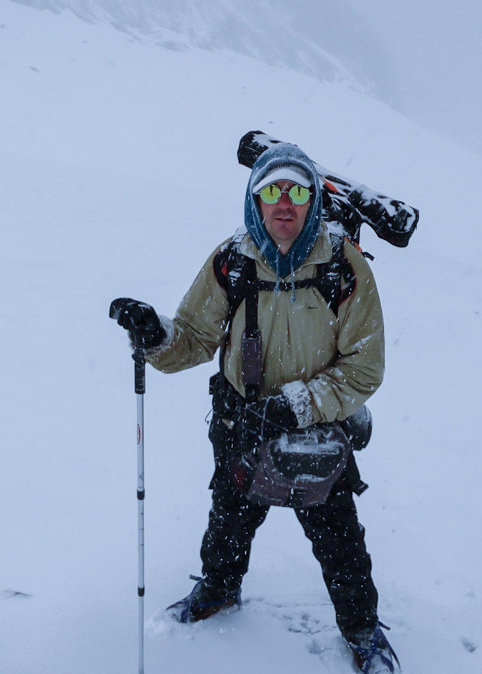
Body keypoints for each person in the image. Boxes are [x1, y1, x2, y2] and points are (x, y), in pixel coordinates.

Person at [110, 142, 399, 673]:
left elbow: (365, 366)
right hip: (240, 421)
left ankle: (361, 630)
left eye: (297, 191)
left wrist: (295, 407)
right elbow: (194, 337)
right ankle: (219, 589)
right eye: (272, 191)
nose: (284, 203)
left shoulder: (343, 264)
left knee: (339, 538)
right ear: (255, 200)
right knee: (230, 519)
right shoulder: (233, 260)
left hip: (318, 428)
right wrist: (156, 338)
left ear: (313, 201)